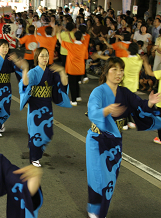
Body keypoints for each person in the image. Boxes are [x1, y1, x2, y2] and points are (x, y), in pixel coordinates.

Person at [86, 57, 161, 218]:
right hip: (97, 140)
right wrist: (106, 111)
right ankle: (94, 208)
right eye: (114, 69)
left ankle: (102, 209)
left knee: (110, 176)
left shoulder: (125, 93)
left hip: (115, 142)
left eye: (121, 70)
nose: (118, 73)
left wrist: (149, 103)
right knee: (97, 176)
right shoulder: (98, 92)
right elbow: (92, 112)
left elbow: (139, 106)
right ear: (106, 72)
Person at [18, 47, 71, 167]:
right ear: (37, 57)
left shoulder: (51, 72)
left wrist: (62, 71)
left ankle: (36, 154)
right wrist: (25, 69)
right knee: (35, 131)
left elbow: (63, 84)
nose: (45, 58)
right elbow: (25, 84)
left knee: (47, 132)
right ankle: (34, 157)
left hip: (47, 105)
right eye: (42, 55)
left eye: (47, 55)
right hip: (35, 105)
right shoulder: (33, 72)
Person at [58, 30, 86, 106]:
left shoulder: (71, 45)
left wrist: (58, 34)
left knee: (72, 84)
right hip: (80, 68)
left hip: (72, 68)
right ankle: (78, 96)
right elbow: (77, 40)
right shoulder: (83, 46)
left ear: (74, 37)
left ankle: (73, 101)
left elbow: (61, 41)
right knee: (77, 83)